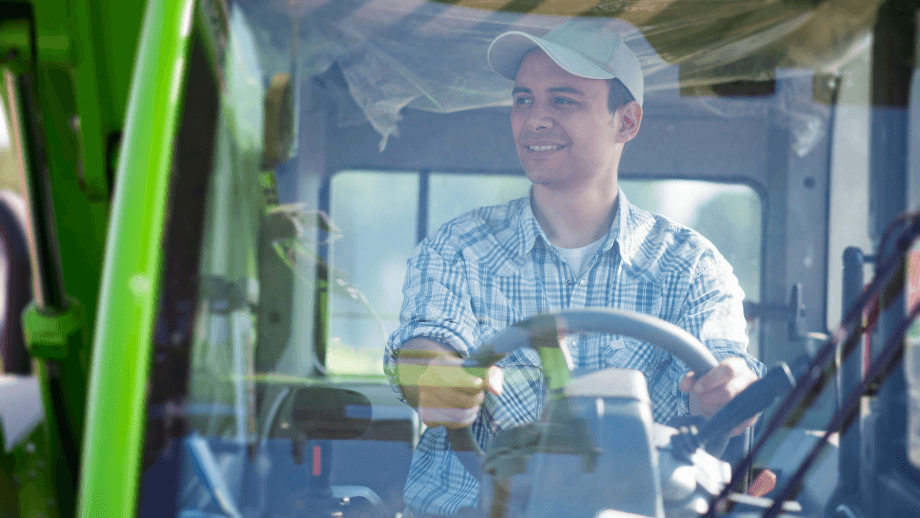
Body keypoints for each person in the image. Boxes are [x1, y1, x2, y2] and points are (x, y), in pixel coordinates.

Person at [383, 18, 765, 518]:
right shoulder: (459, 247)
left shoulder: (690, 265)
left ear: (626, 121)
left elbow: (726, 370)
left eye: (562, 100)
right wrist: (437, 378)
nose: (533, 119)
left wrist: (731, 388)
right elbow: (423, 344)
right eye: (523, 100)